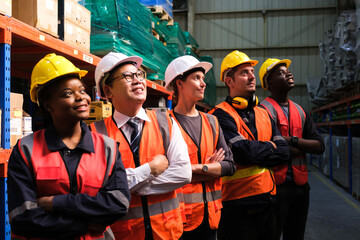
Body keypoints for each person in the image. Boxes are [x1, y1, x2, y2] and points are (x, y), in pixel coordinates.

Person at [7, 53, 131, 239]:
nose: (81, 98)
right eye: (68, 94)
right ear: (48, 105)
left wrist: (58, 203)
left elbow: (118, 203)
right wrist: (86, 223)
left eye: (82, 91)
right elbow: (22, 217)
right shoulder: (26, 150)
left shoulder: (108, 148)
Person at [90, 52, 192, 240]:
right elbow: (98, 188)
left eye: (139, 75)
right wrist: (150, 169)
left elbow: (183, 173)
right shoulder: (95, 134)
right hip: (124, 235)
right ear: (108, 91)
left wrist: (129, 184)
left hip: (167, 232)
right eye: (128, 76)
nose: (137, 80)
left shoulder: (166, 122)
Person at [210, 50, 290, 240]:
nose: (252, 76)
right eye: (244, 73)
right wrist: (271, 147)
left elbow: (285, 153)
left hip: (268, 202)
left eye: (252, 72)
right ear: (229, 81)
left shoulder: (264, 113)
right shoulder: (220, 115)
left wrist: (257, 150)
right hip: (236, 207)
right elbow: (241, 152)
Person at [164, 55, 236, 240]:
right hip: (180, 219)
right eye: (197, 78)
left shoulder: (212, 121)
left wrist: (195, 168)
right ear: (179, 83)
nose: (203, 84)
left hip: (211, 217)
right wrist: (212, 168)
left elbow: (229, 166)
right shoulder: (165, 124)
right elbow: (167, 172)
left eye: (203, 79)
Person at [259, 58, 325, 240]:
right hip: (273, 190)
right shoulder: (262, 112)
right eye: (281, 73)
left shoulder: (301, 111)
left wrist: (292, 140)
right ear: (269, 82)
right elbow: (266, 151)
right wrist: (303, 147)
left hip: (301, 190)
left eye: (288, 71)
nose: (288, 74)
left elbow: (319, 146)